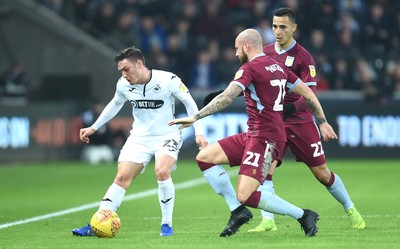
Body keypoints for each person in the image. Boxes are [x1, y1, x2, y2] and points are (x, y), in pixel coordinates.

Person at [168, 28, 338, 237]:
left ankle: (303, 215)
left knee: (244, 194)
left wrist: (195, 117)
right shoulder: (278, 67)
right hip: (255, 134)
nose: (235, 53)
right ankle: (238, 212)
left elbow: (227, 97)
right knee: (205, 158)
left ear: (246, 46)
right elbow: (309, 94)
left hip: (266, 139)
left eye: (237, 49)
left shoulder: (250, 68)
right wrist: (322, 121)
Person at [247, 7, 365, 232]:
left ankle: (351, 209)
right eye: (274, 26)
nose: (278, 31)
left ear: (293, 27)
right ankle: (268, 221)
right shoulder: (265, 53)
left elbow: (308, 95)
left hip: (299, 121)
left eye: (283, 26)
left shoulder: (304, 57)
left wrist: (287, 111)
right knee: (265, 169)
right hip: (274, 123)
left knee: (322, 173)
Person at [72, 46, 207, 237]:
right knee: (121, 178)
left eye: (126, 69)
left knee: (162, 171)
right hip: (140, 137)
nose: (124, 74)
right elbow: (115, 104)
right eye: (121, 71)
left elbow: (189, 102)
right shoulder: (123, 84)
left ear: (139, 64)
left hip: (167, 134)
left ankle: (166, 225)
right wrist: (94, 127)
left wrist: (198, 132)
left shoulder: (168, 80)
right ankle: (98, 223)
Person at [80, 100, 126, 165]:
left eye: (101, 107)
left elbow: (109, 135)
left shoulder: (106, 120)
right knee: (95, 159)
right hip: (93, 147)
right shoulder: (90, 118)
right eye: (98, 107)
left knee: (108, 158)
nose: (100, 108)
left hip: (104, 147)